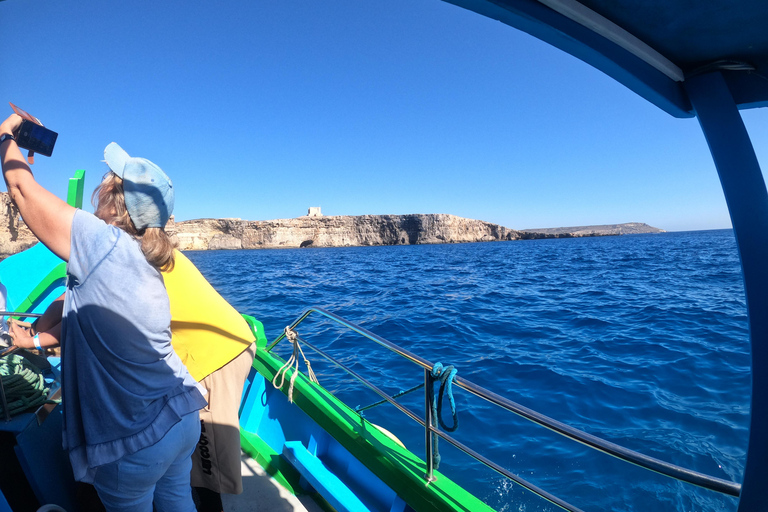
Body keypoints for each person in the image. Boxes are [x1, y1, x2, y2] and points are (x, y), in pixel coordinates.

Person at [0, 112, 207, 512]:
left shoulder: (102, 242)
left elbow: (22, 191)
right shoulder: (143, 259)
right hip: (181, 414)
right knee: (178, 503)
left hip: (136, 440)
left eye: (108, 183)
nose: (100, 187)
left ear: (117, 203)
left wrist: (5, 133)